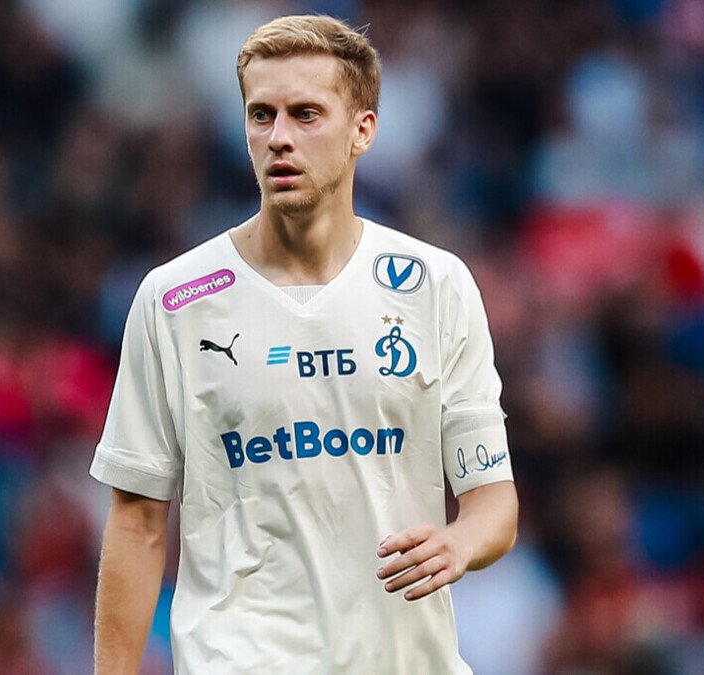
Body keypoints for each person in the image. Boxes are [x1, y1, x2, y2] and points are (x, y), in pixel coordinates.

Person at [91, 14, 519, 674]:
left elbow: (492, 501)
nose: (279, 138)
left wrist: (459, 543)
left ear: (362, 130)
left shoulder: (435, 286)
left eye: (306, 114)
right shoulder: (175, 299)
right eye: (261, 116)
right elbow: (138, 520)